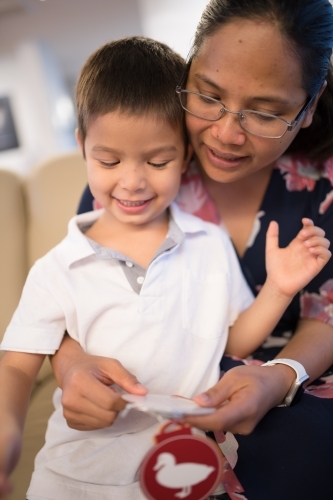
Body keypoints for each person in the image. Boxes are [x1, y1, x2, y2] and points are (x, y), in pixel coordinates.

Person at [0, 34, 330, 500]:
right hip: (73, 479)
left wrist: (279, 286)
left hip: (184, 473)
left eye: (158, 161)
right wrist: (7, 440)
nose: (132, 182)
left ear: (186, 155)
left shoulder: (208, 243)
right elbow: (16, 366)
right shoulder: (57, 267)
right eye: (109, 160)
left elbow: (235, 339)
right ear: (82, 146)